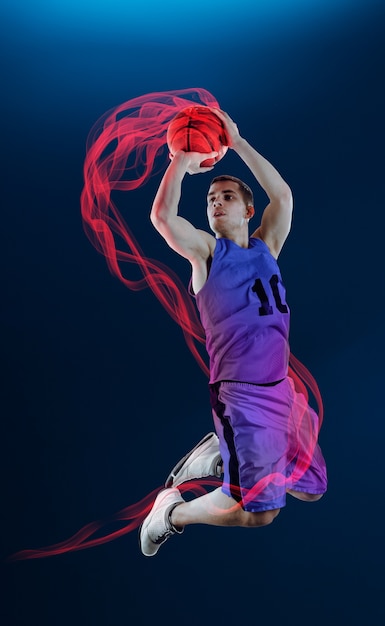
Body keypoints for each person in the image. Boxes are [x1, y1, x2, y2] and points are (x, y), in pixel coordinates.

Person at [139, 109, 327, 557]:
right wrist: (182, 160)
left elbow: (281, 195)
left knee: (311, 488)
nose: (216, 203)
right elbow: (163, 218)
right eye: (210, 200)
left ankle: (220, 455)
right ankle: (169, 512)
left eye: (225, 196)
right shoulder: (206, 253)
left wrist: (238, 142)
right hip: (240, 395)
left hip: (282, 389)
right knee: (260, 513)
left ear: (247, 209)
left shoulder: (267, 248)